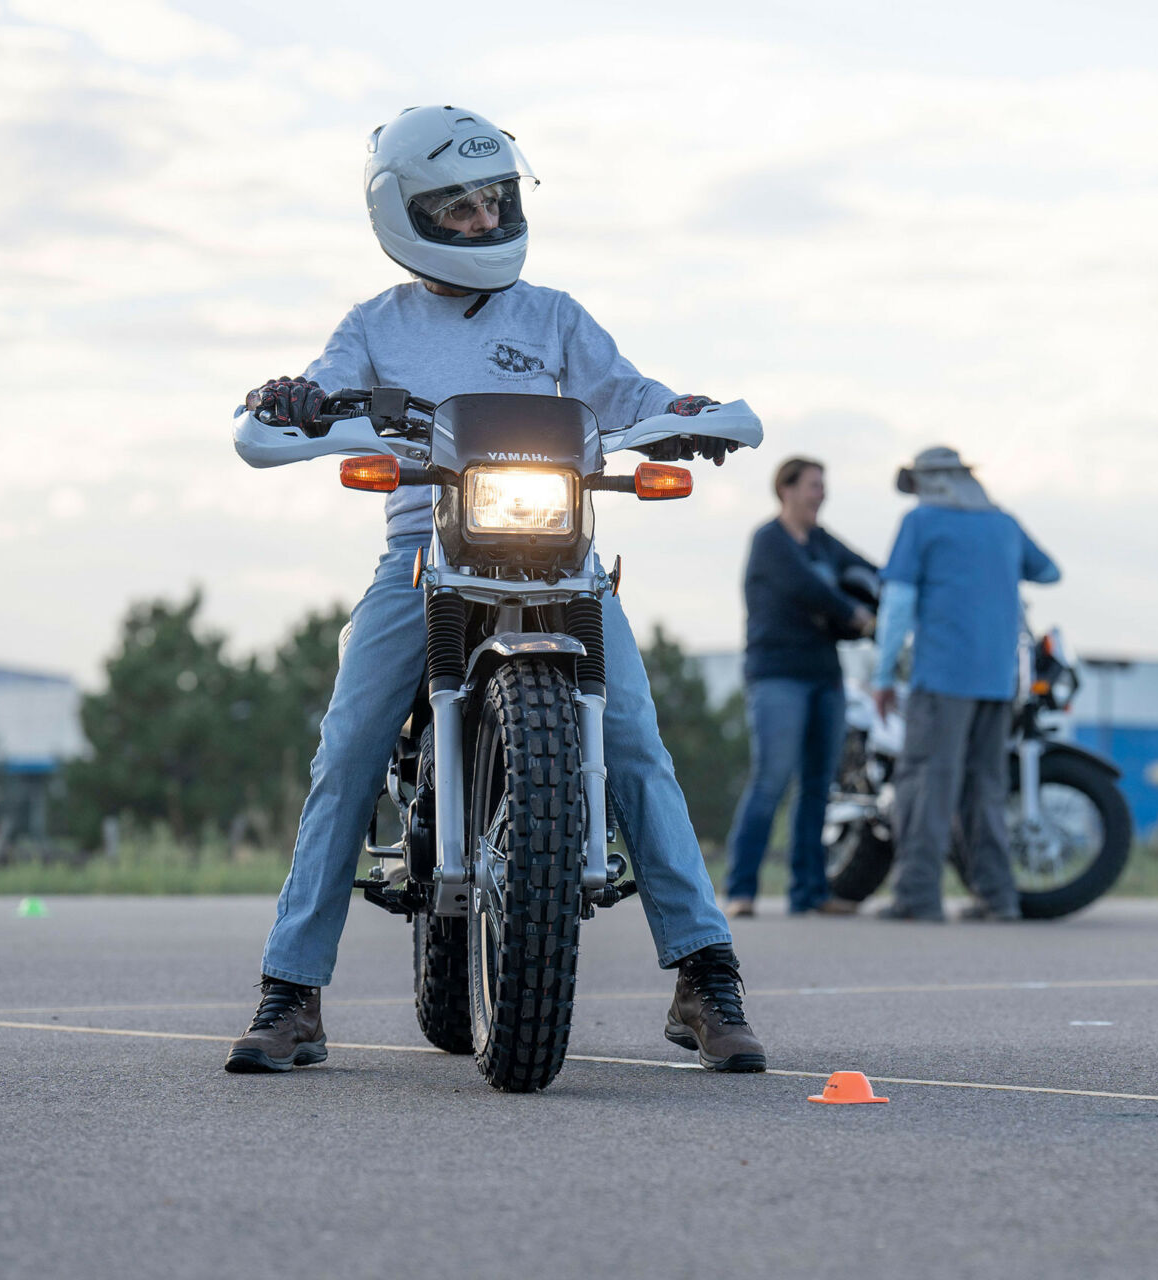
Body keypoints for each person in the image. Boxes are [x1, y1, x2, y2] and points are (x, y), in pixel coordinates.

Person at [225, 106, 766, 1075]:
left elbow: (632, 395)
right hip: (423, 558)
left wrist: (684, 411)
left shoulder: (554, 315)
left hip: (563, 559)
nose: (481, 220)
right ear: (407, 216)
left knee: (637, 743)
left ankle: (703, 973)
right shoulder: (374, 325)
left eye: (494, 201)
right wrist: (293, 400)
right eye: (458, 208)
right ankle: (291, 989)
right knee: (347, 749)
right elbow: (320, 390)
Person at [871, 447, 1060, 922]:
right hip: (997, 681)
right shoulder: (1004, 524)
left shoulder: (921, 523)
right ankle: (998, 898)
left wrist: (881, 674)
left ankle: (917, 896)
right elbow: (1049, 571)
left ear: (927, 483)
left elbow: (896, 607)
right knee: (986, 789)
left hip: (941, 677)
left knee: (926, 784)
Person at [724, 457, 879, 918]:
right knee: (771, 780)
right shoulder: (769, 540)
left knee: (817, 787)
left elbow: (867, 568)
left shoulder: (821, 540)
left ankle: (809, 893)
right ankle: (741, 890)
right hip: (777, 676)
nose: (821, 495)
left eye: (822, 486)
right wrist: (852, 614)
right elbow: (807, 588)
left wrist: (897, 587)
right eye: (813, 486)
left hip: (824, 674)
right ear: (786, 489)